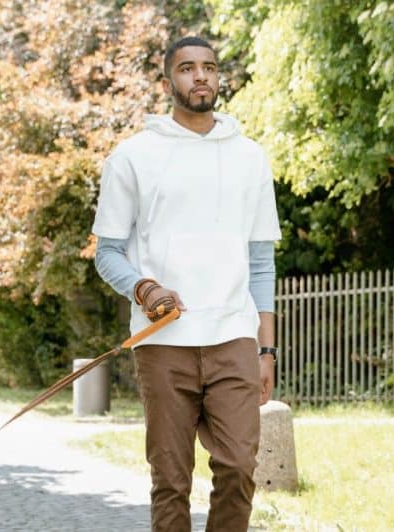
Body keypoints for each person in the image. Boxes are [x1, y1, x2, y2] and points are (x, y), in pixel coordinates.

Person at [92, 36, 281, 532]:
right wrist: (144, 289)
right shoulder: (132, 157)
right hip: (163, 344)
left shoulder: (250, 158)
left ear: (219, 78)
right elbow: (107, 253)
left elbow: (261, 263)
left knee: (239, 467)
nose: (201, 77)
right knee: (171, 480)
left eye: (210, 68)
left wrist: (266, 349)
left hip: (233, 338)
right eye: (187, 68)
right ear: (167, 82)